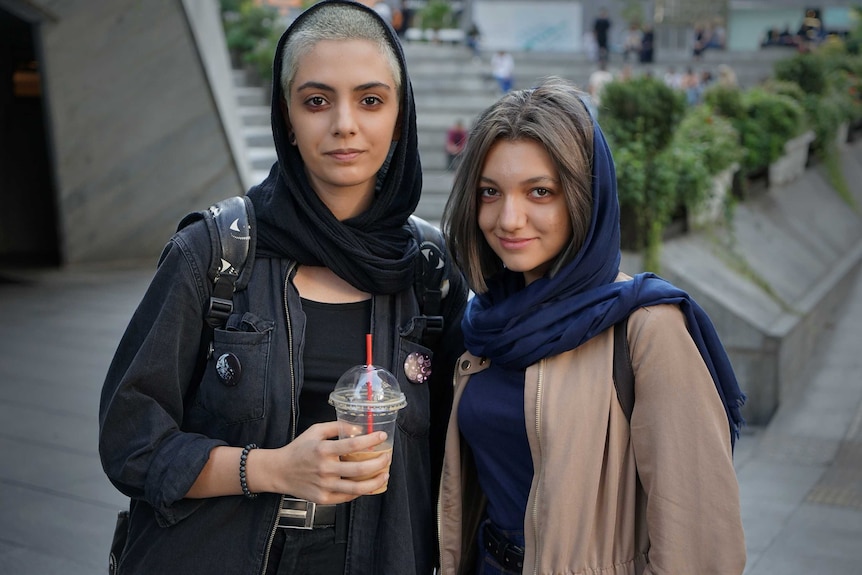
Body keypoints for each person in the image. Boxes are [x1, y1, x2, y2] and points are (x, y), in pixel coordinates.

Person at [98, 2, 468, 574]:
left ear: (401, 117)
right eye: (316, 101)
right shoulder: (214, 252)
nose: (344, 123)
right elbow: (131, 441)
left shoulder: (427, 269)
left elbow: (457, 448)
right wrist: (271, 469)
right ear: (287, 118)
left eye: (371, 100)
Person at [438, 76, 747, 574]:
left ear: (585, 198)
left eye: (540, 192)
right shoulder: (483, 322)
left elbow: (700, 544)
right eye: (490, 192)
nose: (508, 218)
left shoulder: (646, 328)